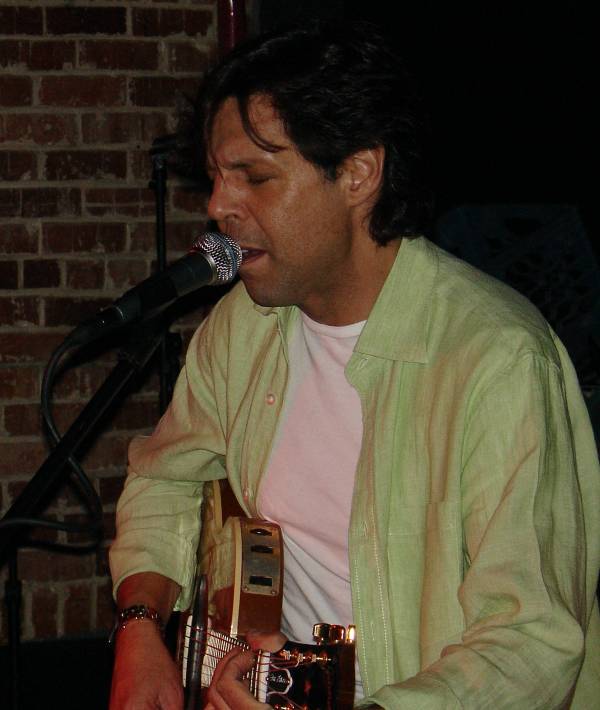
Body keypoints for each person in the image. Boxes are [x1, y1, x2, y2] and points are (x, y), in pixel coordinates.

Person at [108, 21, 600, 710]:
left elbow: (530, 641)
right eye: (217, 177)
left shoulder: (497, 359)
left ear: (359, 174)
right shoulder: (242, 326)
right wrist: (139, 629)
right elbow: (165, 476)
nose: (218, 206)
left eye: (255, 176)